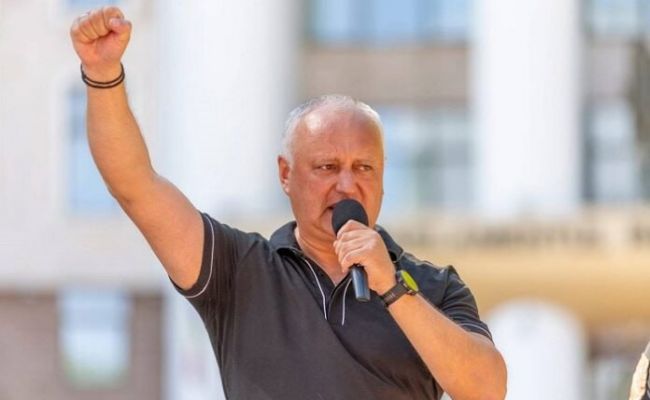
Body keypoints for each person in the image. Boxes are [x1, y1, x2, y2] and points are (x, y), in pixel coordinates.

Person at [70, 6, 507, 400]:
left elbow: (486, 389)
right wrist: (102, 73)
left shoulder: (433, 287)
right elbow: (135, 186)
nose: (347, 185)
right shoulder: (238, 270)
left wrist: (393, 288)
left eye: (364, 168)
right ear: (285, 174)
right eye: (327, 167)